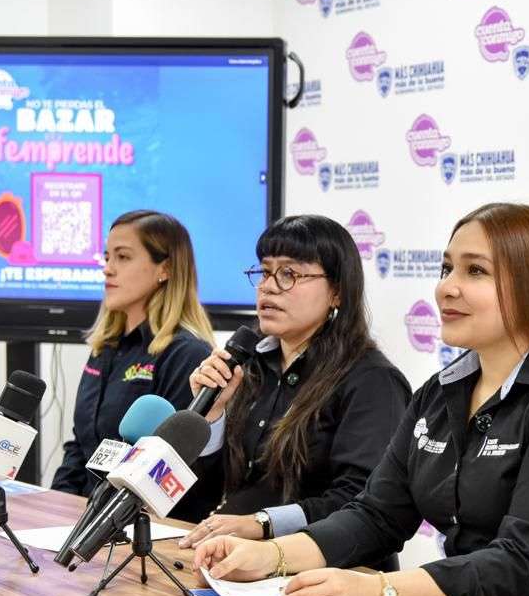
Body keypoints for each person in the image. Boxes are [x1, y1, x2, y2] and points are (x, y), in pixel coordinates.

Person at [193, 203, 529, 596]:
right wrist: (271, 556)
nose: (447, 288)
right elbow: (376, 515)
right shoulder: (441, 391)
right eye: (447, 269)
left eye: (475, 271)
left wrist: (379, 591)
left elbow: (520, 561)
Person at [176, 215, 411, 563]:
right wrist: (212, 416)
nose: (268, 287)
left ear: (337, 292)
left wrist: (263, 523)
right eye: (265, 272)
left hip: (333, 572)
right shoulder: (251, 365)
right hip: (239, 562)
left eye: (289, 274)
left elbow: (361, 502)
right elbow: (219, 489)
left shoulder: (372, 381)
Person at [52, 210, 214, 496]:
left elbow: (170, 470)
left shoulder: (187, 354)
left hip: (139, 516)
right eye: (107, 257)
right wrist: (55, 502)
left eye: (123, 257)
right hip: (85, 512)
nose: (108, 269)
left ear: (165, 269)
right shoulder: (105, 347)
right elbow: (80, 446)